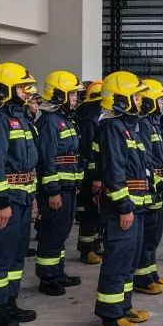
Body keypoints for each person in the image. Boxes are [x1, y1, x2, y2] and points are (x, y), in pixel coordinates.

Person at [0, 63, 39, 326]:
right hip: (7, 199)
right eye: (22, 87)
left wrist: (32, 194)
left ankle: (9, 301)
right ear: (6, 89)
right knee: (1, 255)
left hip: (23, 197)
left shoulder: (22, 119)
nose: (27, 92)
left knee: (16, 255)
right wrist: (1, 202)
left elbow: (28, 162)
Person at [92, 71, 153, 326]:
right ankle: (110, 315)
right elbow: (114, 172)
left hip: (136, 204)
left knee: (130, 258)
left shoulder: (128, 126)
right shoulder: (111, 128)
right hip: (123, 207)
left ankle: (123, 305)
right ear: (122, 98)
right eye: (136, 96)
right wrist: (124, 206)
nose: (140, 100)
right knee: (117, 259)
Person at [34, 70, 85, 296]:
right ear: (59, 94)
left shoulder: (65, 120)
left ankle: (58, 272)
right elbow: (47, 159)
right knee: (52, 232)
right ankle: (48, 279)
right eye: (72, 94)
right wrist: (52, 190)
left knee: (62, 232)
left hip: (69, 186)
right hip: (56, 190)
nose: (75, 98)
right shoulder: (49, 122)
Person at [133, 78, 163, 295]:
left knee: (155, 234)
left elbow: (160, 158)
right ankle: (142, 277)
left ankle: (151, 272)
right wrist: (156, 182)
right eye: (159, 100)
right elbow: (145, 159)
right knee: (148, 234)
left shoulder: (154, 124)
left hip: (157, 186)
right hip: (148, 189)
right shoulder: (142, 125)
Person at [74, 81, 104, 264]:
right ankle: (87, 250)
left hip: (91, 173)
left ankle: (94, 245)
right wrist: (96, 177)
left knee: (96, 211)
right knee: (90, 211)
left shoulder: (92, 117)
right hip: (89, 175)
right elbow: (90, 151)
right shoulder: (89, 121)